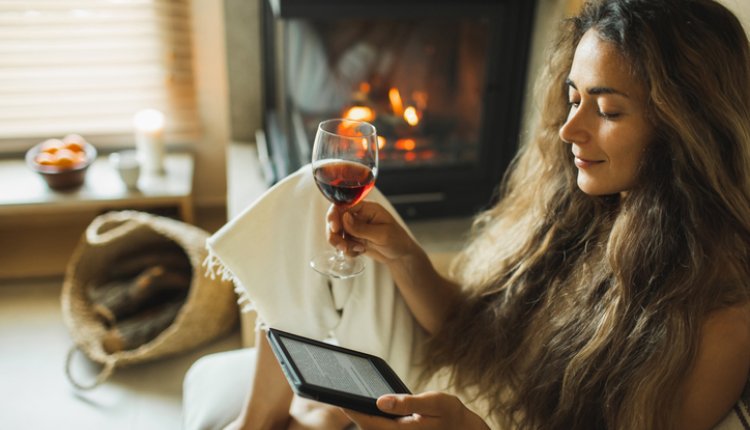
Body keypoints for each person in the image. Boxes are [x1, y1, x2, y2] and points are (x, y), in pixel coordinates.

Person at [185, 0, 750, 429]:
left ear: (686, 126)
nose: (569, 129)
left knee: (330, 408)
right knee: (318, 201)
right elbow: (477, 331)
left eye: (607, 110)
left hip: (488, 420)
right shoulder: (581, 209)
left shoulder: (722, 310)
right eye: (573, 97)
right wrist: (404, 256)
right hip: (464, 377)